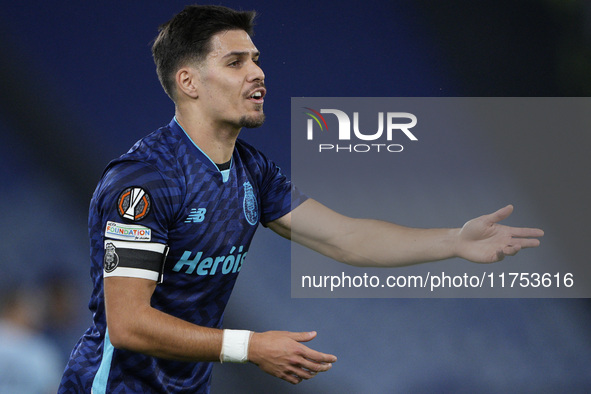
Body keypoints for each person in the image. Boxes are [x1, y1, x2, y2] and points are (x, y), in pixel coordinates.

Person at [58, 5, 544, 393]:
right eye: (235, 62)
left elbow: (348, 239)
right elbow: (128, 324)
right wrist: (250, 346)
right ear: (188, 82)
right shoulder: (144, 181)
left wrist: (455, 241)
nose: (258, 73)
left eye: (255, 58)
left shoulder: (253, 170)